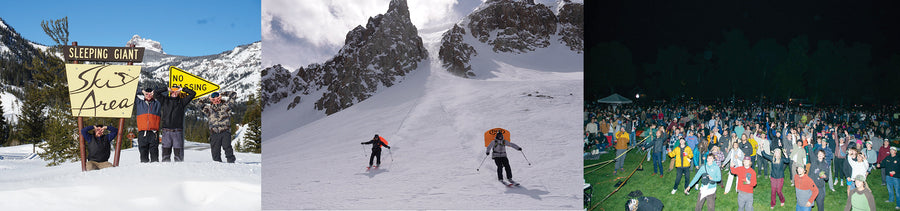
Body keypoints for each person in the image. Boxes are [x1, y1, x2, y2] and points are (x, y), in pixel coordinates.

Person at [154, 85, 197, 162]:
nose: (174, 92)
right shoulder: (165, 100)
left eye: (176, 91)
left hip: (177, 132)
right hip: (166, 131)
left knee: (178, 157)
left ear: (179, 92)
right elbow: (156, 93)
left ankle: (178, 172)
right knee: (165, 156)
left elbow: (193, 94)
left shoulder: (182, 102)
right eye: (173, 91)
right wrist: (166, 88)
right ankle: (166, 171)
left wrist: (183, 89)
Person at [199, 91, 237, 163]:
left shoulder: (226, 106)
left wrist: (222, 94)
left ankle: (231, 163)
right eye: (213, 100)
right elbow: (198, 103)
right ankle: (218, 167)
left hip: (225, 131)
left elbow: (234, 94)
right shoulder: (208, 109)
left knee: (227, 147)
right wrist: (209, 97)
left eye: (218, 99)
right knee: (215, 152)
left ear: (220, 98)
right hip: (214, 133)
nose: (216, 100)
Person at [134, 88, 161, 163]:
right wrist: (142, 91)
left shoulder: (157, 103)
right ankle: (145, 173)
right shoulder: (139, 103)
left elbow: (163, 93)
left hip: (154, 133)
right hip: (142, 133)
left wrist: (155, 92)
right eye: (147, 94)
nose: (148, 95)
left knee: (155, 158)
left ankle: (155, 173)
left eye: (150, 94)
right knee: (143, 157)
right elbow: (131, 93)